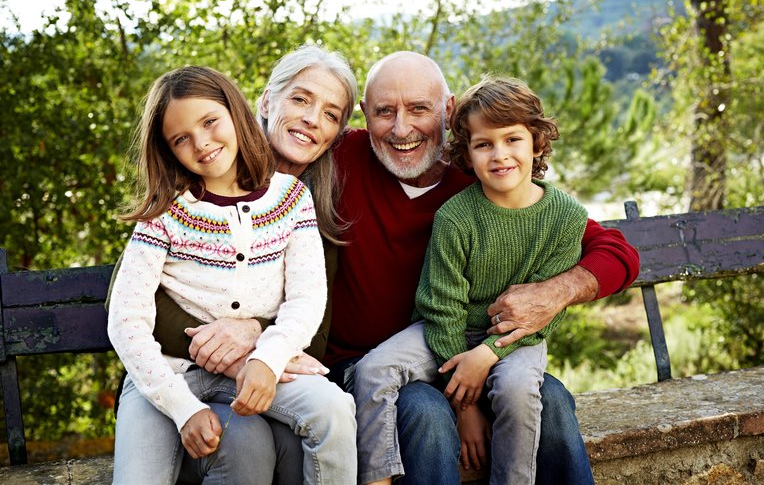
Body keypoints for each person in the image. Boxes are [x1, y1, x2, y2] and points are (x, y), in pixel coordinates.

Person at [161, 51, 640, 484]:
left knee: (551, 399)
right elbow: (240, 226)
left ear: (448, 112)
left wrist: (556, 292)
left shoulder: (479, 183)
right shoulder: (335, 159)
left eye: (419, 109)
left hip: (466, 351)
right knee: (425, 414)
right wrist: (256, 327)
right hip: (363, 367)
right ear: (364, 117)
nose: (401, 128)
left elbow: (617, 252)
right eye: (384, 112)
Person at [107, 65, 356, 485]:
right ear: (167, 150)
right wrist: (183, 408)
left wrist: (265, 358)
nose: (201, 143)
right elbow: (125, 318)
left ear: (236, 113)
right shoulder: (164, 214)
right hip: (166, 375)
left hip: (261, 367)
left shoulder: (292, 199)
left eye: (210, 123)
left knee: (333, 410)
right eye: (181, 139)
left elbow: (307, 299)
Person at [354, 75, 589, 484]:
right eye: (484, 144)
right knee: (372, 370)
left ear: (536, 142)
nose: (500, 155)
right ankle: (376, 478)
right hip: (445, 332)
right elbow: (440, 306)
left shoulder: (566, 217)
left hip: (518, 338)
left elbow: (544, 313)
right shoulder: (456, 216)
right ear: (467, 152)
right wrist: (464, 406)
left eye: (512, 139)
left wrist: (487, 355)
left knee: (519, 392)